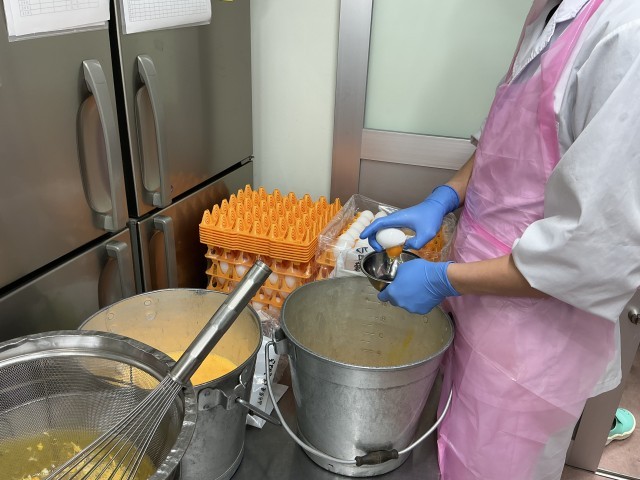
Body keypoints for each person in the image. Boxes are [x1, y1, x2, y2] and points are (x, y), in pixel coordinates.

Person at [360, 0, 640, 478]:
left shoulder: (625, 34)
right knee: (454, 447)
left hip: (534, 341)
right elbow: (504, 144)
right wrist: (445, 196)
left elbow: (588, 253)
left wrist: (443, 279)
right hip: (480, 301)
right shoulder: (547, 13)